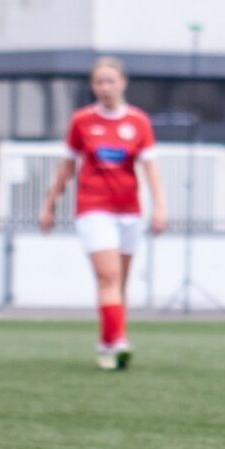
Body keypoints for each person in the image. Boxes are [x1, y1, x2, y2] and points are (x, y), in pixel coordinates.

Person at [38, 57, 166, 370]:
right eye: (99, 82)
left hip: (129, 210)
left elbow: (150, 168)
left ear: (123, 83)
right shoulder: (82, 121)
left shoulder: (138, 121)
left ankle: (107, 344)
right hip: (93, 208)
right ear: (93, 86)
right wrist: (49, 204)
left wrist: (160, 206)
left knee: (118, 283)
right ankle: (119, 341)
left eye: (111, 81)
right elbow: (67, 167)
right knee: (109, 276)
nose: (105, 87)